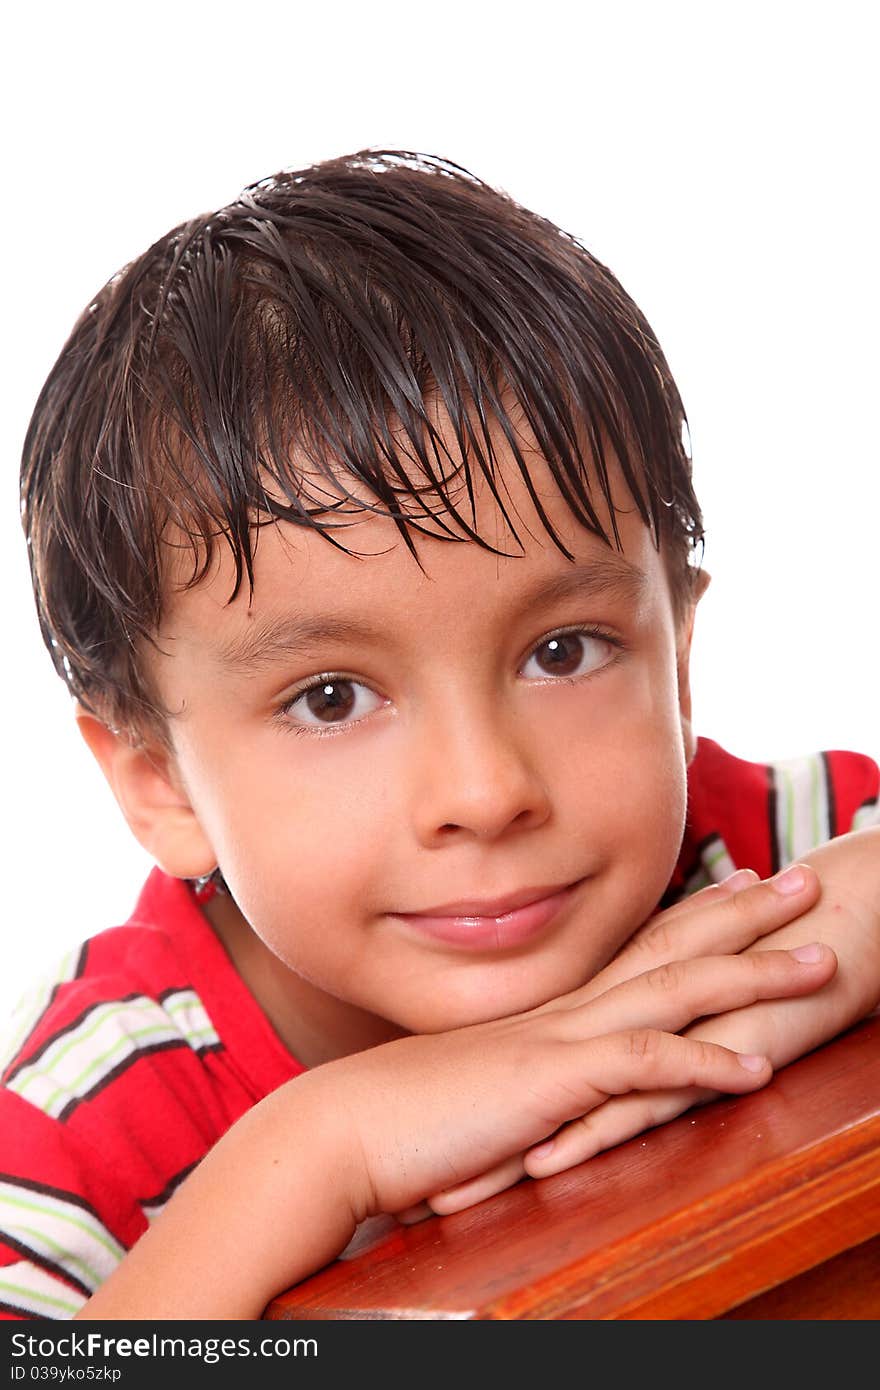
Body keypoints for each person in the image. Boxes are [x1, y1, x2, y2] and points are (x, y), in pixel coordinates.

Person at [3, 150, 878, 1321]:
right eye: (329, 697)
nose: (483, 789)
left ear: (676, 659)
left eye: (561, 651)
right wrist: (321, 1149)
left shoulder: (760, 860)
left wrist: (834, 941)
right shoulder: (93, 1108)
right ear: (159, 782)